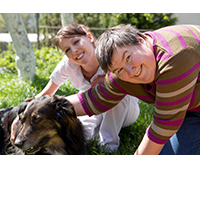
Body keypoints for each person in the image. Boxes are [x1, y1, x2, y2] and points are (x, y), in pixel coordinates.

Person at [63, 24, 200, 155]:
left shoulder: (175, 57)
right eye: (120, 69)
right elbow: (93, 100)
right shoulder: (122, 75)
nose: (131, 71)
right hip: (190, 109)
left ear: (140, 40)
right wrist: (47, 105)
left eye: (128, 57)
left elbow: (164, 124)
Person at [15, 24, 140, 152]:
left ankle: (108, 146)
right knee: (83, 133)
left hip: (124, 109)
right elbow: (46, 93)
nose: (73, 50)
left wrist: (109, 80)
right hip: (92, 106)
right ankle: (97, 135)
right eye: (67, 50)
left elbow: (130, 78)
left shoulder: (108, 54)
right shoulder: (68, 64)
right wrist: (20, 116)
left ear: (89, 37)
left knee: (114, 94)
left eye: (76, 42)